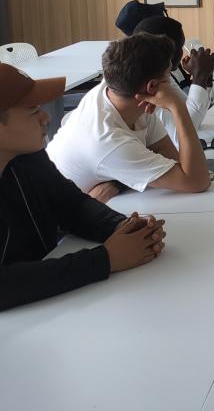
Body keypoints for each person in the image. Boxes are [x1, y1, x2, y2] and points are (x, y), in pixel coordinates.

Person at [0, 64, 165, 311]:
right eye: (33, 111)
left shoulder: (27, 157)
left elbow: (72, 204)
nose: (46, 117)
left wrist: (124, 228)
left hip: (49, 306)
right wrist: (105, 259)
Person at [49, 33, 211, 202]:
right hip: (61, 214)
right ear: (152, 87)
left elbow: (172, 158)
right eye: (168, 76)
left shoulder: (121, 92)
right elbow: (198, 181)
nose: (170, 84)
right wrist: (177, 107)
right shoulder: (110, 140)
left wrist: (118, 183)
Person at [133, 15, 214, 148]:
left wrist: (205, 77)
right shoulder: (147, 85)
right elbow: (181, 137)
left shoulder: (163, 75)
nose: (182, 52)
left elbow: (191, 117)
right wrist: (199, 78)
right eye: (180, 47)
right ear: (164, 49)